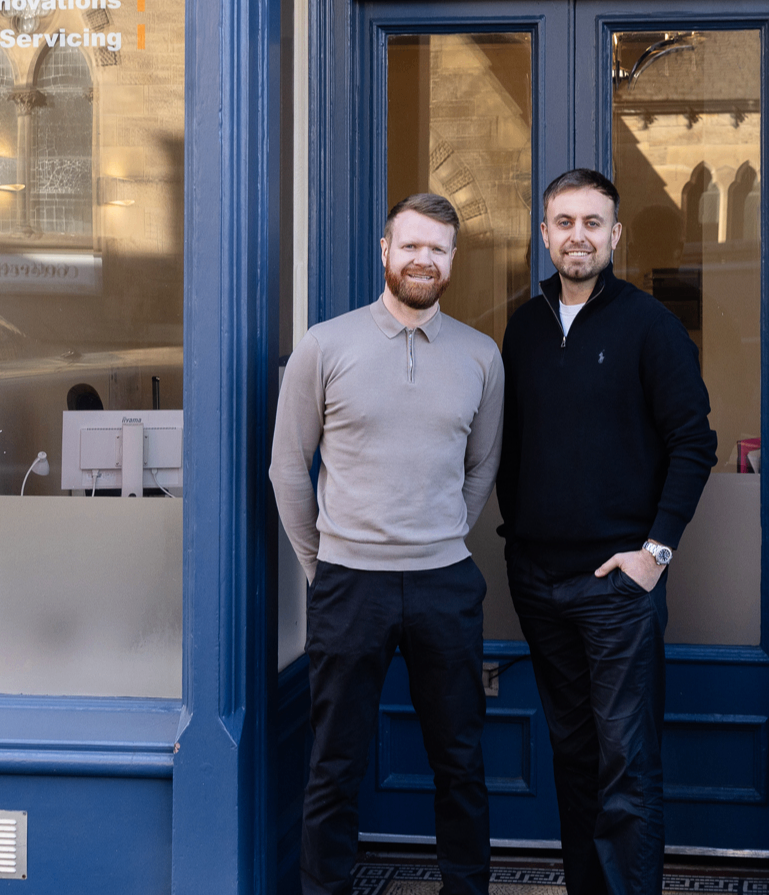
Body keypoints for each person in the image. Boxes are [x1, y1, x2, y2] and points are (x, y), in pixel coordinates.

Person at [271, 193, 504, 895]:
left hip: (445, 583)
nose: (422, 259)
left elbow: (482, 468)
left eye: (437, 248)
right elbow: (288, 467)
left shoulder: (481, 356)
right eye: (410, 245)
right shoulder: (324, 346)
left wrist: (438, 536)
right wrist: (321, 565)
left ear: (452, 260)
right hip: (349, 585)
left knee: (460, 761)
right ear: (385, 251)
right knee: (334, 765)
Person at [497, 168, 718, 893]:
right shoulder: (523, 328)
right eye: (564, 223)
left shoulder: (649, 326)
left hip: (617, 586)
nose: (578, 236)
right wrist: (518, 542)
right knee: (574, 757)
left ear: (615, 235)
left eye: (592, 223)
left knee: (626, 766)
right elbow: (510, 444)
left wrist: (655, 553)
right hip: (538, 581)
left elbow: (694, 443)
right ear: (545, 234)